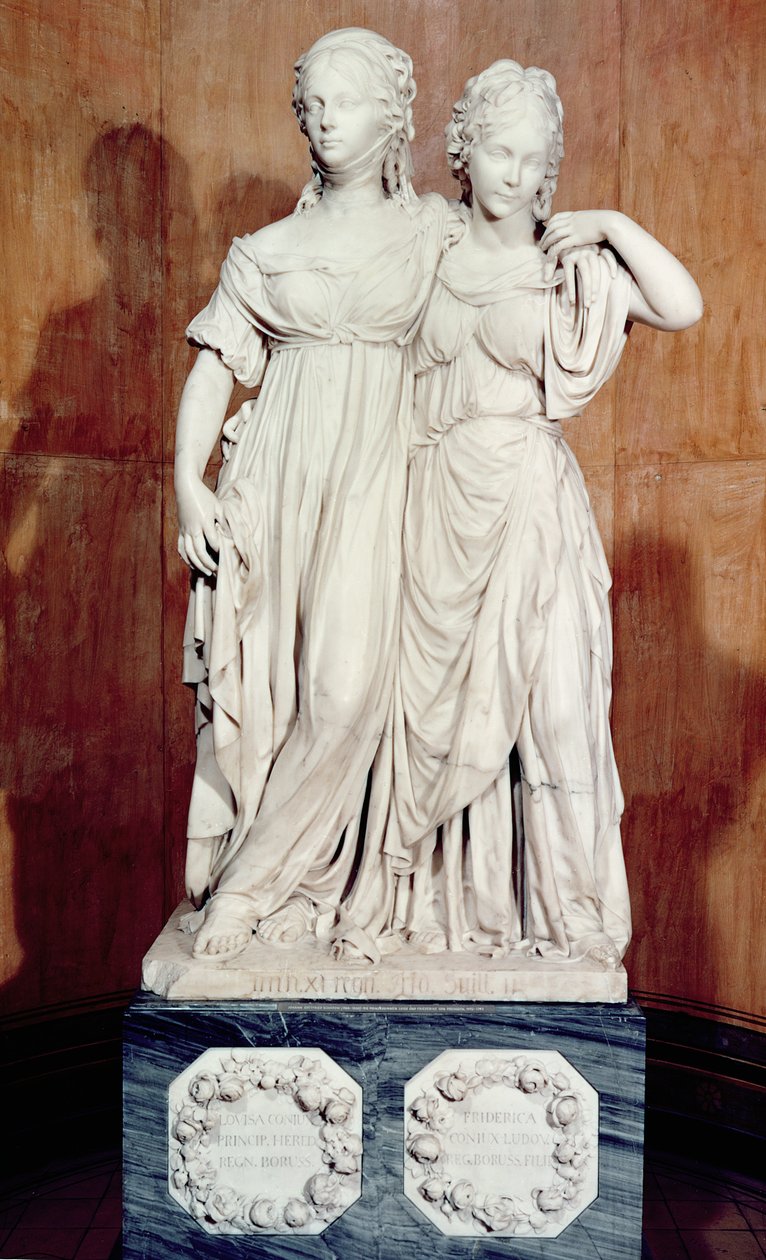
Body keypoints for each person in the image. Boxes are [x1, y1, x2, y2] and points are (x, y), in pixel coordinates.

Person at [339, 59, 702, 966]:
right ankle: (438, 916)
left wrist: (612, 224)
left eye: (536, 160)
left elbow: (683, 305)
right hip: (429, 509)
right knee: (424, 721)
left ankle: (567, 920)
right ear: (465, 150)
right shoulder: (423, 248)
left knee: (556, 714)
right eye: (501, 151)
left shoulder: (567, 266)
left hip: (530, 512)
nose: (517, 174)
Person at [174, 28, 449, 961]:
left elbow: (510, 292)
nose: (328, 121)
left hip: (382, 478)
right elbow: (215, 368)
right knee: (277, 695)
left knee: (346, 690)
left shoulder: (432, 233)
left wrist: (600, 232)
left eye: (349, 101)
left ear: (393, 116)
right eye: (315, 104)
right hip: (279, 479)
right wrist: (187, 484)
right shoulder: (266, 250)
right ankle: (271, 887)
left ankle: (249, 887)